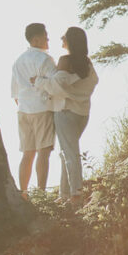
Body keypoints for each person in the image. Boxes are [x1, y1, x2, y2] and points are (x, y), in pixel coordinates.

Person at [35, 26, 98, 204]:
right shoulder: (87, 64)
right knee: (67, 153)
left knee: (69, 153)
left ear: (70, 41)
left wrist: (39, 81)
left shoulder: (65, 60)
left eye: (64, 37)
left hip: (65, 113)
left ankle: (76, 193)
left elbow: (56, 86)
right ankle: (65, 194)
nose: (61, 39)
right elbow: (86, 85)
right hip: (82, 114)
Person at [11, 22, 57, 198]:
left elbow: (14, 93)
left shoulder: (17, 62)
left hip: (23, 110)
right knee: (43, 153)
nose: (48, 39)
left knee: (27, 154)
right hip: (42, 108)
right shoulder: (45, 59)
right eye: (46, 36)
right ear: (37, 40)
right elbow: (56, 84)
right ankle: (41, 194)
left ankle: (23, 194)